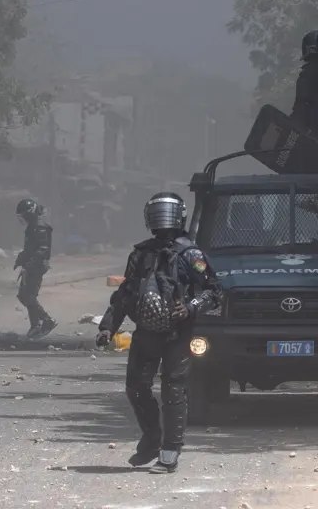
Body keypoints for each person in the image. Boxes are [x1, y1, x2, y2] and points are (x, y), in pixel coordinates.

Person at [96, 192, 222, 473]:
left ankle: (170, 451)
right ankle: (152, 438)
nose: (162, 221)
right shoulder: (141, 254)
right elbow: (125, 294)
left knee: (173, 390)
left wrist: (190, 307)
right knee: (136, 388)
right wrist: (108, 326)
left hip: (177, 332)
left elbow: (214, 292)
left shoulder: (191, 254)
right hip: (146, 332)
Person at [14, 198, 56, 340]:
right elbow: (31, 247)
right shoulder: (33, 226)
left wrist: (29, 265)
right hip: (32, 264)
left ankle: (46, 320)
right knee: (24, 295)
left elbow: (42, 250)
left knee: (28, 295)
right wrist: (21, 258)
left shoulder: (39, 227)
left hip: (37, 266)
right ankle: (35, 325)